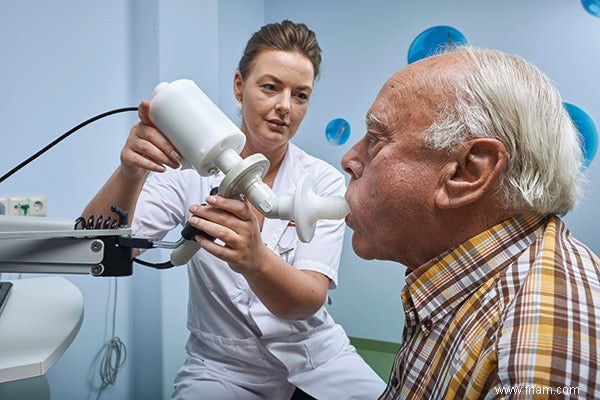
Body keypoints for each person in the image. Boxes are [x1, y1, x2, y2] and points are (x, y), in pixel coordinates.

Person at [83, 20, 385, 399]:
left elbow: (308, 301)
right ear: (239, 86)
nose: (284, 107)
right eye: (271, 87)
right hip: (222, 368)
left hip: (317, 359)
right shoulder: (187, 171)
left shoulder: (320, 180)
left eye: (301, 95)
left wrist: (256, 258)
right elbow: (96, 247)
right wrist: (129, 172)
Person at [341, 45, 600, 399]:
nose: (349, 159)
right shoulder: (477, 286)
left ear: (468, 172)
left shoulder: (531, 353)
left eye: (375, 140)